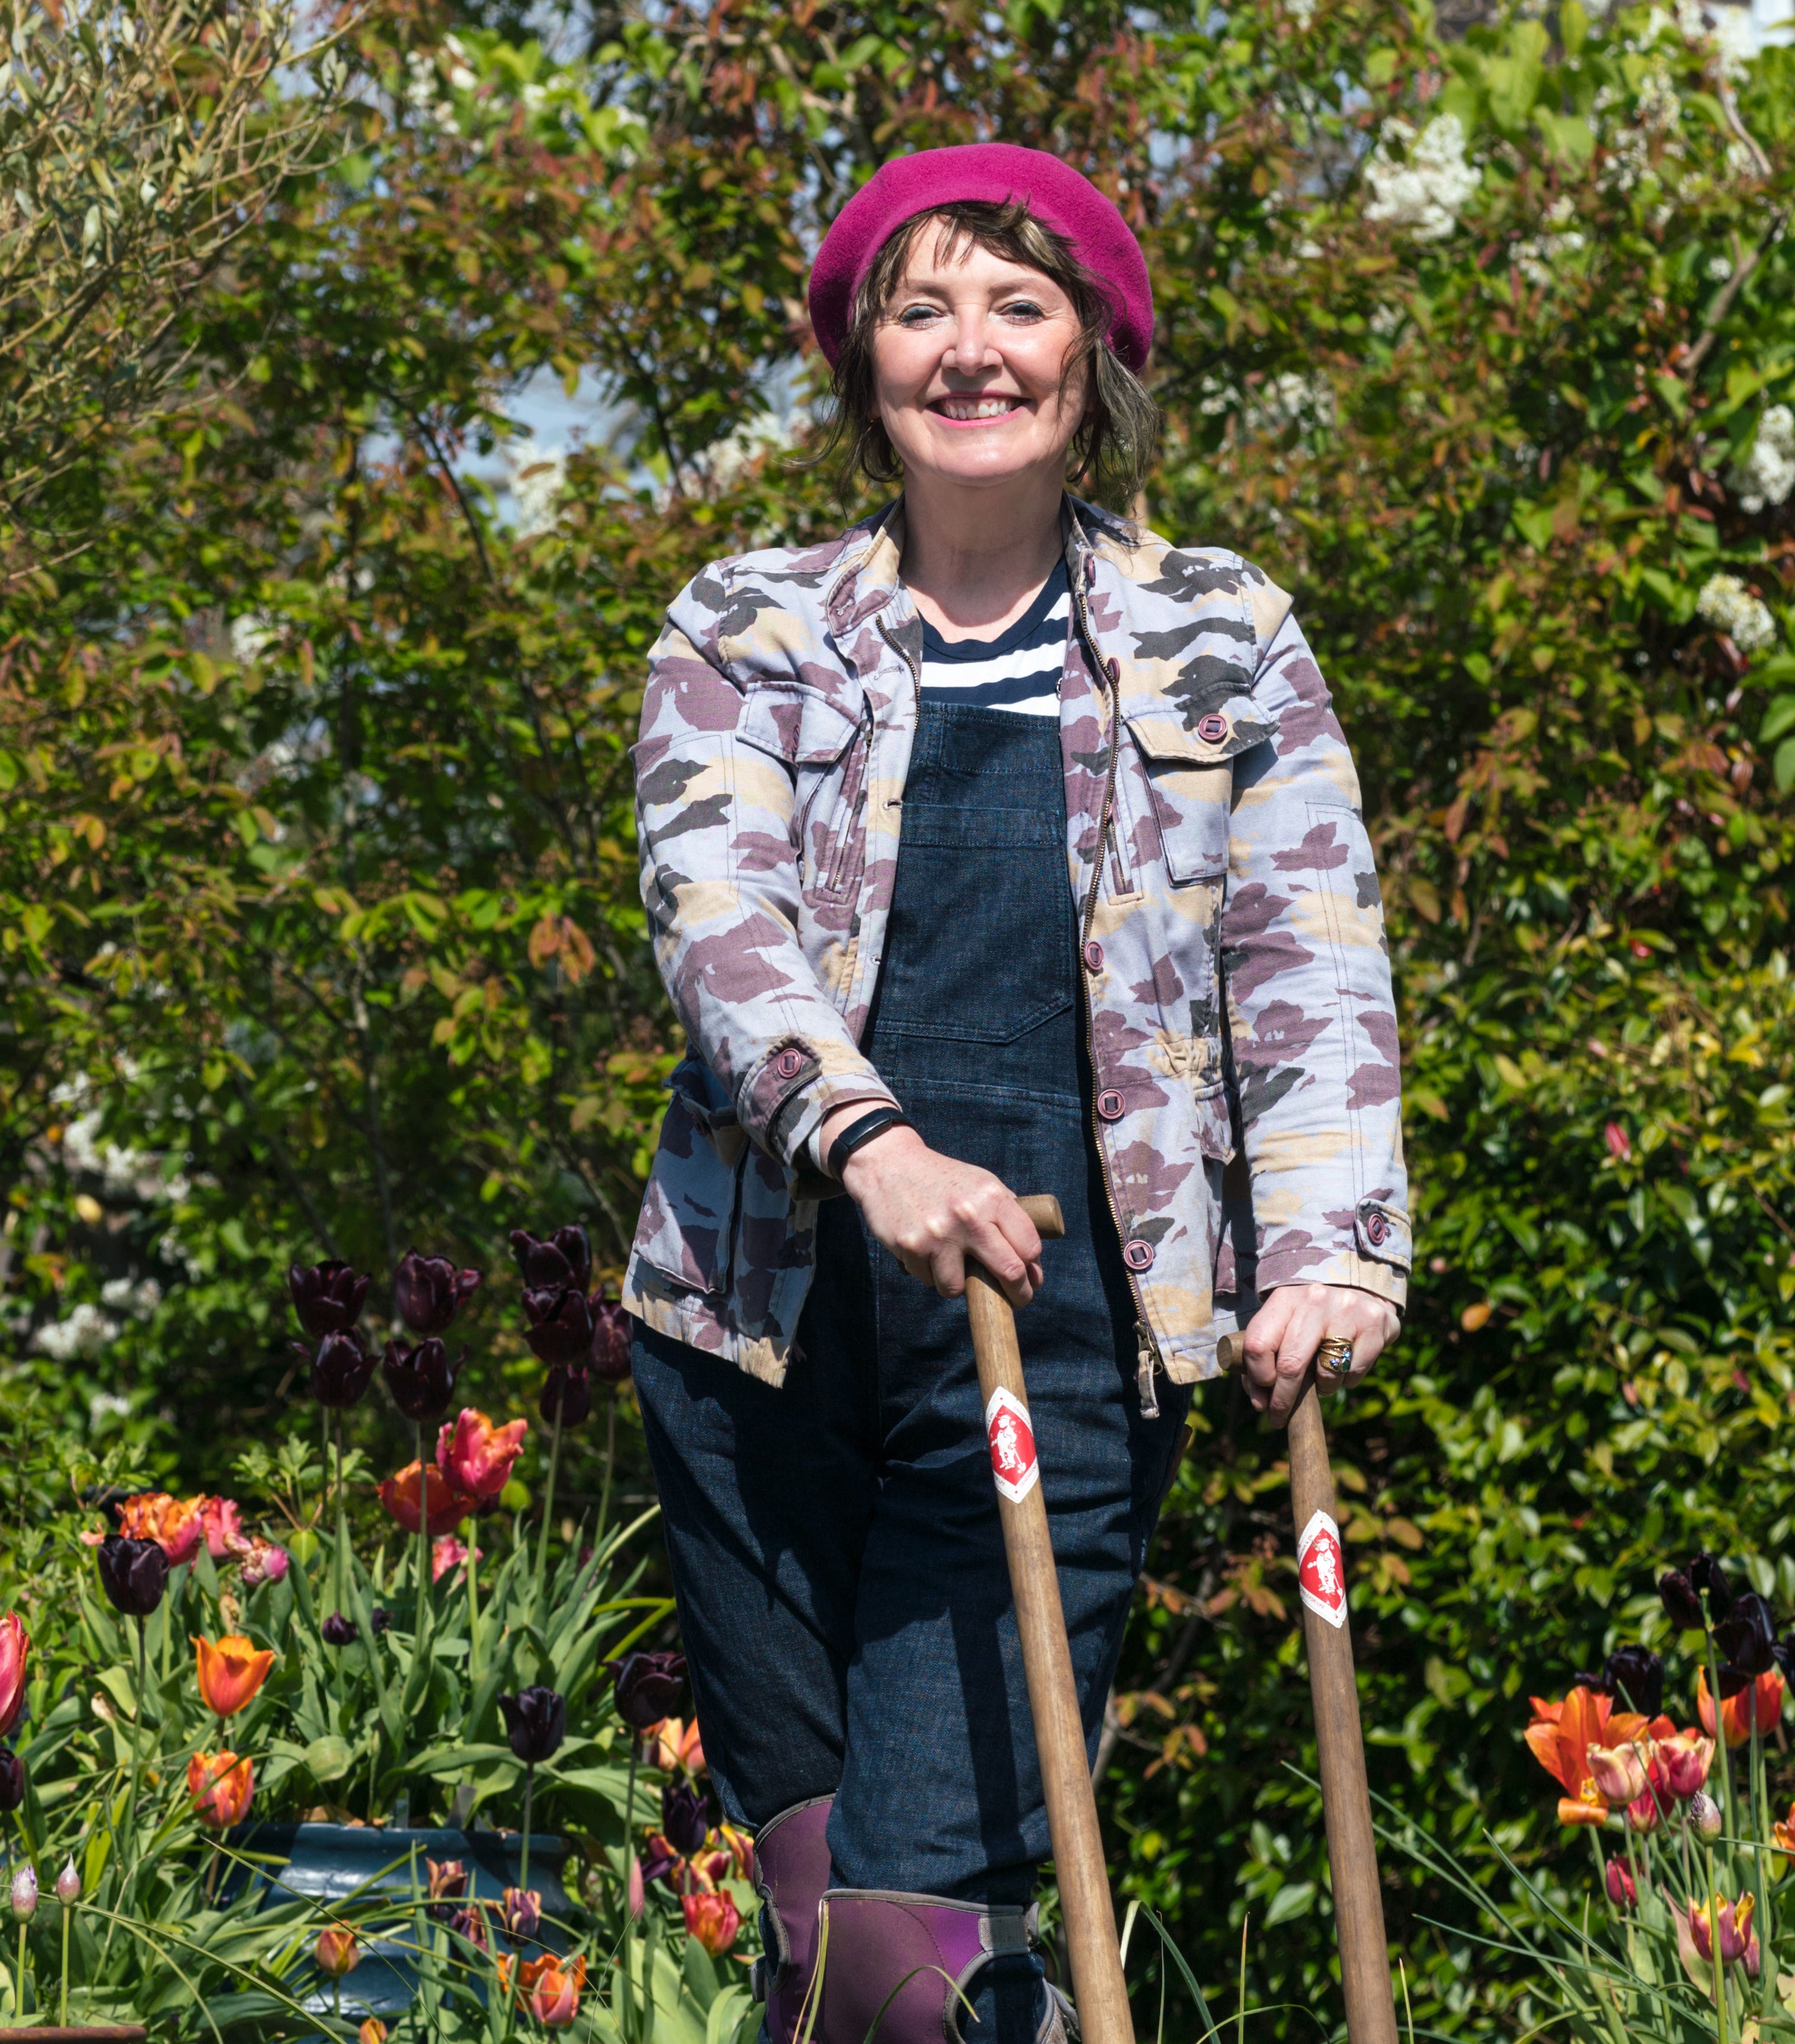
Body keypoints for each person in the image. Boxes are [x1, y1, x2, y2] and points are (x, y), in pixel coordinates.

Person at [620, 145, 1408, 2043]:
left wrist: (1328, 1249)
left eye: (1017, 305)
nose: (968, 350)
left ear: (1091, 355)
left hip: (1057, 1335)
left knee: (910, 1940)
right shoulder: (750, 626)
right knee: (815, 1932)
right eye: (921, 310)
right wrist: (868, 1141)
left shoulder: (1218, 633)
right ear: (863, 362)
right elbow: (712, 913)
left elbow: (1304, 947)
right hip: (756, 1331)